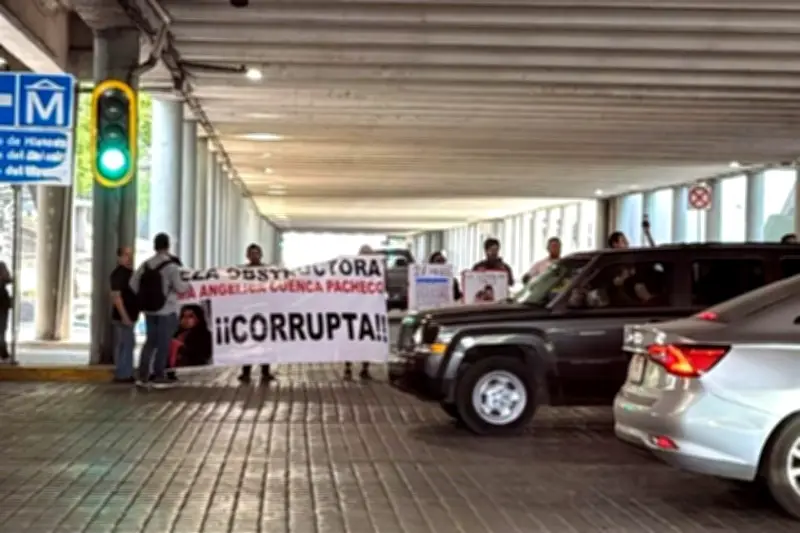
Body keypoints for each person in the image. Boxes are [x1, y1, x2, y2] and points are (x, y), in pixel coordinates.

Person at [130, 233, 188, 389]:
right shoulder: (172, 267)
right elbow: (180, 288)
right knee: (163, 343)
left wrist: (146, 298)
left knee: (150, 342)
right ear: (168, 246)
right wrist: (188, 285)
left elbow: (133, 284)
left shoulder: (145, 265)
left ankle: (142, 375)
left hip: (149, 311)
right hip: (166, 310)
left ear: (155, 246)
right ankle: (159, 375)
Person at [238, 243, 277, 384]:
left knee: (265, 342)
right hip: (248, 311)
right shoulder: (241, 272)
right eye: (251, 253)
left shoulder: (268, 271)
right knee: (248, 341)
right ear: (247, 256)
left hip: (264, 310)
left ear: (260, 255)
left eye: (256, 253)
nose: (254, 256)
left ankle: (265, 371)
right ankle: (246, 371)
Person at [344, 244, 375, 381]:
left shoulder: (374, 271)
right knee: (356, 340)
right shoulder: (355, 270)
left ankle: (359, 368)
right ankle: (353, 367)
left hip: (363, 310)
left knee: (362, 341)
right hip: (358, 311)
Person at [110, 246, 138, 383]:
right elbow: (116, 297)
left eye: (131, 255)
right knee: (125, 345)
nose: (129, 258)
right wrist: (125, 316)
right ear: (119, 257)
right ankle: (123, 374)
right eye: (126, 255)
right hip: (123, 317)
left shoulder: (130, 273)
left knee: (128, 344)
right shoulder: (119, 275)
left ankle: (125, 372)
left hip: (129, 316)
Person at [169, 304, 213, 369]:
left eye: (190, 316)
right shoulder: (174, 334)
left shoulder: (205, 335)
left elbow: (205, 355)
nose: (186, 319)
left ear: (198, 318)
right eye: (183, 316)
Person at [0, 261, 11, 360]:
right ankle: (3, 351)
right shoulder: (2, 265)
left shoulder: (2, 265)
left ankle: (3, 350)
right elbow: (8, 279)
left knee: (2, 328)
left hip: (2, 301)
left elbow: (8, 279)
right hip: (2, 301)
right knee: (2, 328)